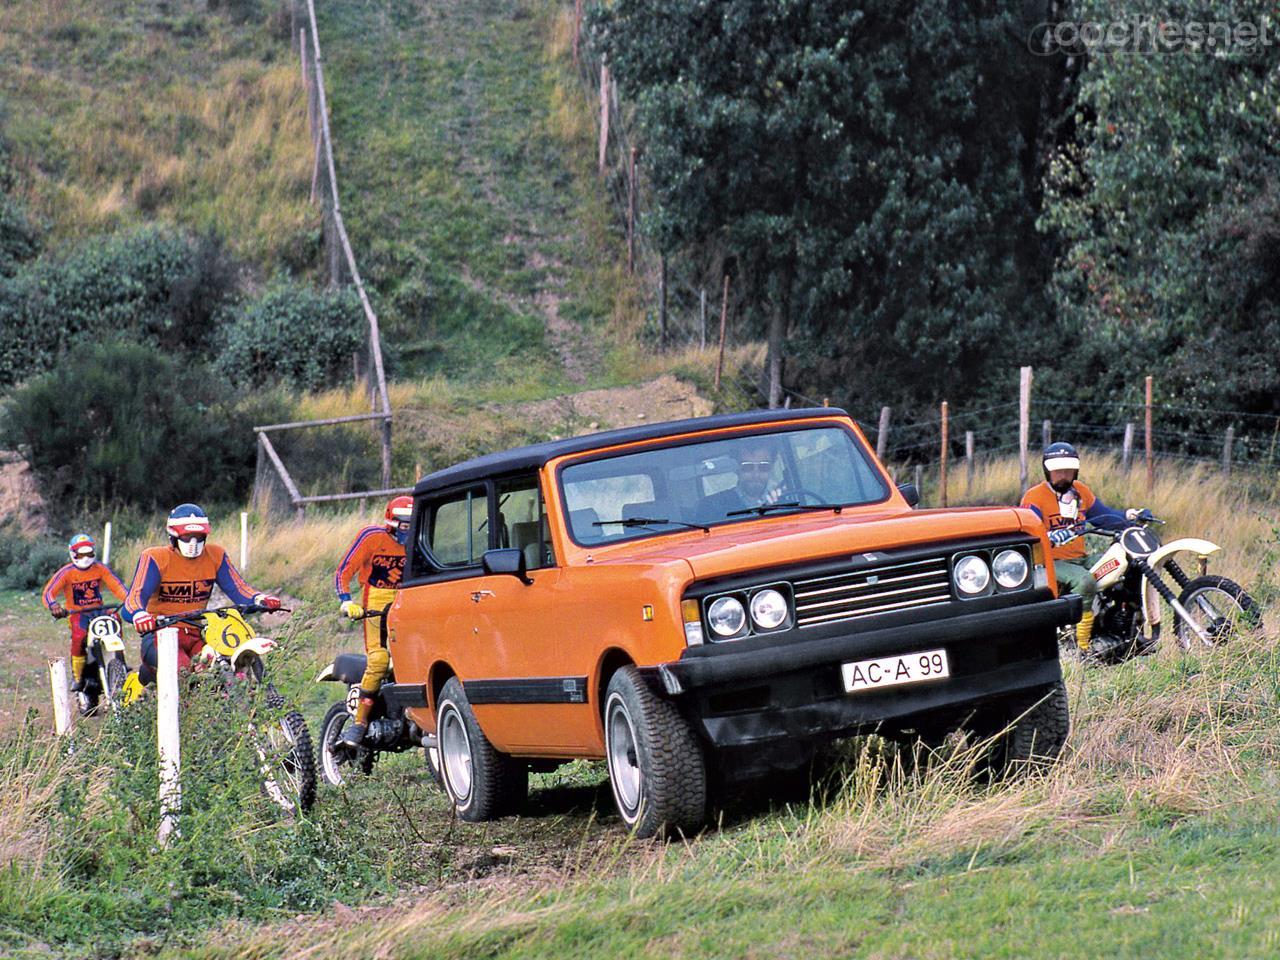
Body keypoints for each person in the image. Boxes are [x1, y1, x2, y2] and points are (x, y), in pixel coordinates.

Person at [122, 503, 281, 685]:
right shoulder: (155, 558)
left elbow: (237, 587)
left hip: (199, 633)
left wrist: (260, 599)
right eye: (187, 537)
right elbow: (133, 598)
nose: (193, 543)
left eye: (199, 538)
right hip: (161, 636)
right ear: (173, 536)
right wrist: (139, 614)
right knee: (184, 674)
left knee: (220, 667)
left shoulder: (215, 555)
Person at [1020, 442, 1142, 658]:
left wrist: (1131, 517)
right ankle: (1081, 646)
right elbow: (1029, 535)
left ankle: (1125, 627)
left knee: (1125, 563)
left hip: (1079, 558)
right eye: (1058, 471)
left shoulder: (1081, 492)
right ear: (1047, 471)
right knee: (1085, 581)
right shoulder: (1034, 497)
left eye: (1068, 471)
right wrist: (1048, 537)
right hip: (1049, 562)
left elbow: (1104, 516)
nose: (1063, 476)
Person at [333, 495, 412, 747]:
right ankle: (359, 723)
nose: (408, 530)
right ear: (392, 521)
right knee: (379, 659)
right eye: (404, 524)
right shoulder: (372, 537)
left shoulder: (421, 541)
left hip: (407, 600)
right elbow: (344, 570)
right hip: (375, 600)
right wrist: (347, 601)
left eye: (413, 523)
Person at [42, 533, 128, 692]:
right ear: (73, 553)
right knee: (79, 636)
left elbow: (117, 586)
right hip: (77, 613)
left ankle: (119, 658)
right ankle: (78, 675)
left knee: (115, 618)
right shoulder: (66, 572)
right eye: (81, 554)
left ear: (94, 552)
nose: (85, 557)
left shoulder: (100, 568)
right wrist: (53, 605)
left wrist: (129, 598)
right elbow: (48, 592)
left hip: (99, 609)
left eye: (89, 553)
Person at [701, 439, 789, 520]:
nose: (756, 474)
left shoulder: (788, 503)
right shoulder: (713, 507)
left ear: (771, 468)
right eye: (747, 467)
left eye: (764, 467)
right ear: (737, 468)